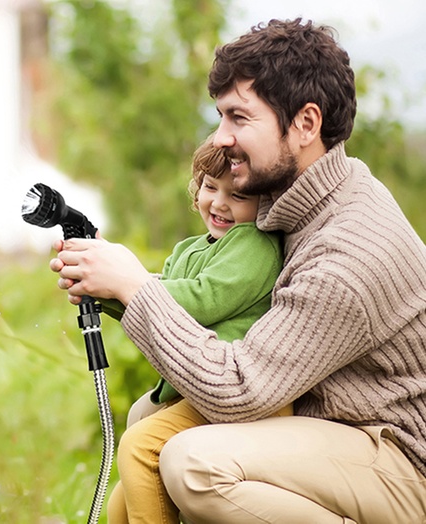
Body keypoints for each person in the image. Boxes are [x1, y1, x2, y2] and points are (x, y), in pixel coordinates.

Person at [50, 18, 426, 523]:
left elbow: (241, 389)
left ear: (306, 124)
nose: (221, 137)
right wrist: (112, 281)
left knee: (194, 463)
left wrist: (137, 289)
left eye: (239, 118)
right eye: (220, 117)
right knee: (148, 417)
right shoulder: (309, 197)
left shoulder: (348, 254)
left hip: (398, 457)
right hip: (334, 424)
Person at [101, 133, 291, 524]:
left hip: (238, 394)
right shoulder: (190, 249)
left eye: (237, 195)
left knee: (139, 449)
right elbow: (154, 310)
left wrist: (126, 281)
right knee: (121, 502)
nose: (219, 203)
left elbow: (201, 300)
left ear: (263, 201)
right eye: (210, 186)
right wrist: (100, 287)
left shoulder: (254, 244)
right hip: (198, 392)